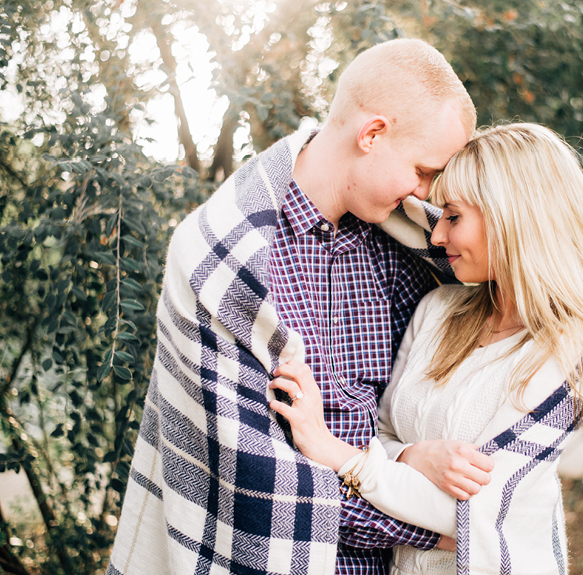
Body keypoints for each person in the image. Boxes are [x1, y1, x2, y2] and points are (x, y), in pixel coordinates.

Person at [107, 39, 478, 575]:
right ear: (372, 134)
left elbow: (419, 409)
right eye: (423, 171)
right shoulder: (223, 256)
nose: (425, 195)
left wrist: (407, 466)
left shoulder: (404, 248)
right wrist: (442, 524)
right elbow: (255, 481)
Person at [269, 123, 583, 574]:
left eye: (453, 217)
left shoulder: (570, 349)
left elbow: (473, 513)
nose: (437, 238)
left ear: (511, 216)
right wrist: (412, 456)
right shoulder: (437, 311)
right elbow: (380, 431)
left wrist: (334, 452)